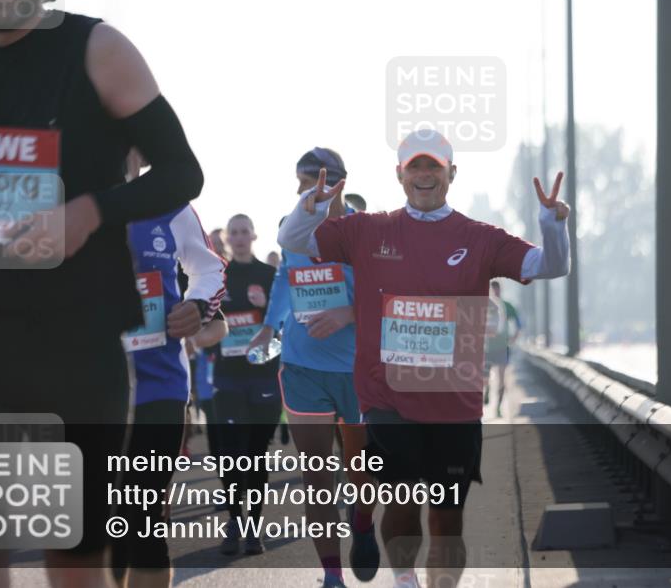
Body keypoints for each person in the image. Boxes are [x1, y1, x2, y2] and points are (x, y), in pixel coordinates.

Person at [0, 0, 204, 586]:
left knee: (71, 557)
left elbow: (181, 172)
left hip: (72, 340)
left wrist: (92, 210)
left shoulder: (95, 49)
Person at [278, 129, 570, 588]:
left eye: (434, 166)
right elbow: (295, 239)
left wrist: (553, 226)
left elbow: (549, 266)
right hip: (387, 398)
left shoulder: (480, 237)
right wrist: (310, 205)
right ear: (399, 175)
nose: (424, 175)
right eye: (415, 166)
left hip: (454, 402)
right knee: (400, 501)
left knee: (447, 518)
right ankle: (404, 579)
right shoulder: (367, 229)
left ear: (451, 173)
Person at [248, 148, 379, 587]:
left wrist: (348, 315)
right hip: (302, 365)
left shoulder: (366, 231)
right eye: (303, 183)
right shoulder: (293, 227)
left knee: (360, 467)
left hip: (355, 368)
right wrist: (269, 327)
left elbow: (389, 294)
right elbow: (285, 277)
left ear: (339, 184)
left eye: (318, 183)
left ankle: (363, 521)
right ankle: (331, 576)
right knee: (317, 474)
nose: (309, 192)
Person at [111, 151, 227, 588]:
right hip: (89, 385)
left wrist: (196, 305)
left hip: (159, 385)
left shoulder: (170, 204)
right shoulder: (67, 200)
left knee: (141, 515)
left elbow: (210, 269)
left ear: (140, 150)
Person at [211, 214, 281, 556]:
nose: (239, 238)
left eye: (244, 232)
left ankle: (253, 526)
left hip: (263, 377)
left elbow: (285, 324)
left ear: (254, 236)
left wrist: (265, 307)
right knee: (230, 456)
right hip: (228, 377)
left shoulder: (269, 276)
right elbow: (205, 322)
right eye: (233, 233)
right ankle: (234, 522)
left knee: (255, 455)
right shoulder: (218, 276)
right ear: (227, 237)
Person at [484, 281, 521, 418]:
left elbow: (519, 324)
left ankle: (498, 407)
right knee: (485, 378)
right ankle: (486, 390)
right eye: (492, 291)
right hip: (486, 348)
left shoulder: (507, 306)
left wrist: (513, 339)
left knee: (501, 378)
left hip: (502, 348)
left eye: (497, 290)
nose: (495, 293)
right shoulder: (484, 305)